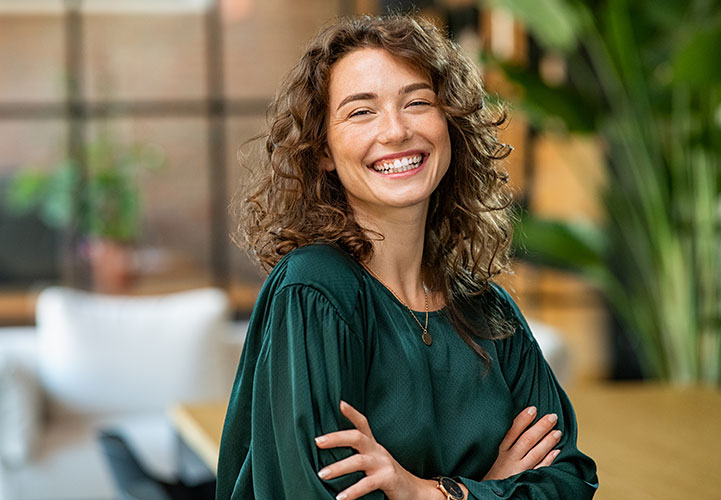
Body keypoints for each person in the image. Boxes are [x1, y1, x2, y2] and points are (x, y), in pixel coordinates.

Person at [216, 14, 598, 500]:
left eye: (417, 102)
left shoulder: (490, 311)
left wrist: (427, 492)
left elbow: (569, 482)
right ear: (323, 151)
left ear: (450, 126)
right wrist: (491, 488)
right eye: (361, 112)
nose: (396, 131)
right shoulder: (315, 290)